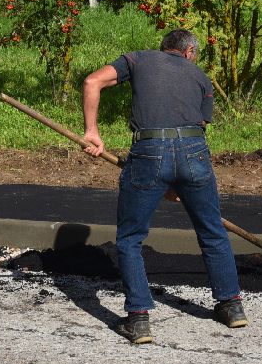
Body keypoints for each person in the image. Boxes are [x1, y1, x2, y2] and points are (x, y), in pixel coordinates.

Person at [82, 28, 247, 345]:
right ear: (189, 52)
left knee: (131, 239)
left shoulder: (139, 59)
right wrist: (177, 180)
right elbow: (195, 129)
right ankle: (232, 307)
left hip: (149, 151)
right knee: (212, 230)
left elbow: (92, 81)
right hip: (194, 153)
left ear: (165, 49)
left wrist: (92, 131)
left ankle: (139, 320)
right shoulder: (200, 77)